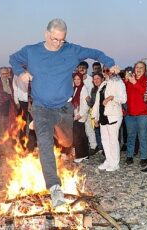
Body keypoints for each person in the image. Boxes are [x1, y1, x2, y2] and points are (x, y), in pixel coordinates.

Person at [9, 18, 119, 207]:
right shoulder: (31, 51)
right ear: (46, 34)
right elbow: (13, 58)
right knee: (44, 144)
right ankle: (54, 188)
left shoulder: (71, 50)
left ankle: (52, 129)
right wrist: (20, 72)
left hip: (63, 108)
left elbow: (96, 53)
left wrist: (110, 62)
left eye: (62, 40)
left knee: (67, 141)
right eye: (54, 39)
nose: (58, 44)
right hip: (41, 107)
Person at [92, 65, 127, 171]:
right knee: (105, 140)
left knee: (113, 140)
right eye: (104, 70)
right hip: (103, 115)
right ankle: (109, 160)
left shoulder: (118, 82)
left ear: (113, 71)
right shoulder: (103, 83)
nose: (106, 72)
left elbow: (123, 99)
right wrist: (95, 117)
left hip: (113, 115)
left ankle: (115, 163)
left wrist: (111, 97)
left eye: (108, 70)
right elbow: (97, 102)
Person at [124, 61, 147, 167]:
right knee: (131, 136)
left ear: (145, 70)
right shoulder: (129, 81)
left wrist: (134, 82)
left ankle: (144, 157)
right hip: (130, 114)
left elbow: (145, 93)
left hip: (143, 114)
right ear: (134, 69)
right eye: (137, 67)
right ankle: (129, 155)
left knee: (143, 136)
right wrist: (126, 80)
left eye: (141, 68)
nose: (139, 69)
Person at [0, 67, 16, 139]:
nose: (4, 75)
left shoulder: (12, 83)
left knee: (12, 131)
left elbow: (16, 95)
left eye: (6, 73)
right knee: (2, 133)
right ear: (0, 74)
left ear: (8, 74)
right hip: (1, 112)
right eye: (3, 73)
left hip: (12, 111)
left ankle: (11, 147)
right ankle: (3, 149)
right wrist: (7, 96)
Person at [71, 73, 90, 163]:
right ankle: (85, 154)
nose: (77, 81)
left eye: (78, 79)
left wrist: (80, 114)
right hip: (76, 114)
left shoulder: (83, 88)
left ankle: (80, 155)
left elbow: (86, 104)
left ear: (81, 80)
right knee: (82, 135)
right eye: (75, 79)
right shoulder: (75, 88)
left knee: (77, 136)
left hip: (80, 115)